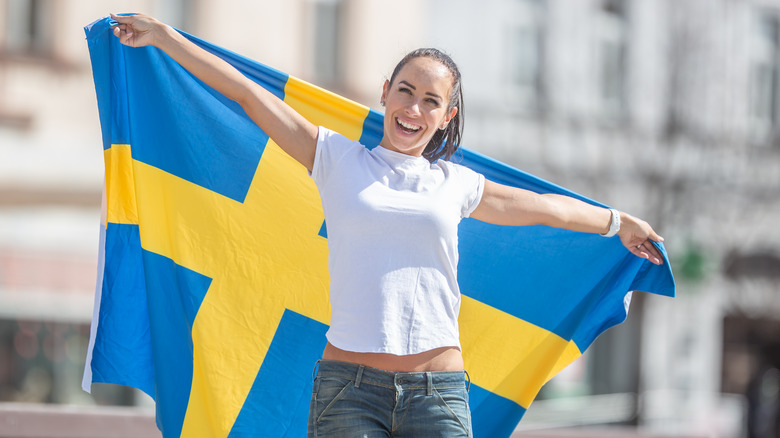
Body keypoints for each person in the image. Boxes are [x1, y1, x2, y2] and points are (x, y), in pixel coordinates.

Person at [110, 13, 665, 438]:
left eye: (431, 101)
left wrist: (618, 222)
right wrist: (163, 37)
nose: (414, 110)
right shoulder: (334, 158)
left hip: (440, 393)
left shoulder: (457, 184)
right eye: (406, 91)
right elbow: (246, 94)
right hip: (347, 392)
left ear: (446, 116)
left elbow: (547, 208)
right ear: (385, 91)